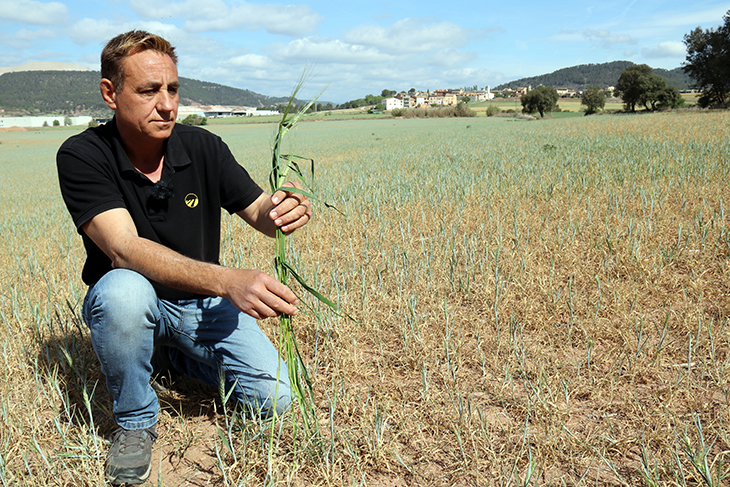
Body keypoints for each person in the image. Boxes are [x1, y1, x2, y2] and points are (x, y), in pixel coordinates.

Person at [56, 30, 311, 486]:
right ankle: (134, 422)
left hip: (201, 306)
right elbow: (124, 248)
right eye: (149, 90)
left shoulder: (203, 147)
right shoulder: (82, 155)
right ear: (110, 94)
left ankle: (165, 359)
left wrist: (282, 210)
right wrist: (226, 280)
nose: (167, 104)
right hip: (138, 296)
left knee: (274, 400)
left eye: (172, 89)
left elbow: (256, 211)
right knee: (123, 293)